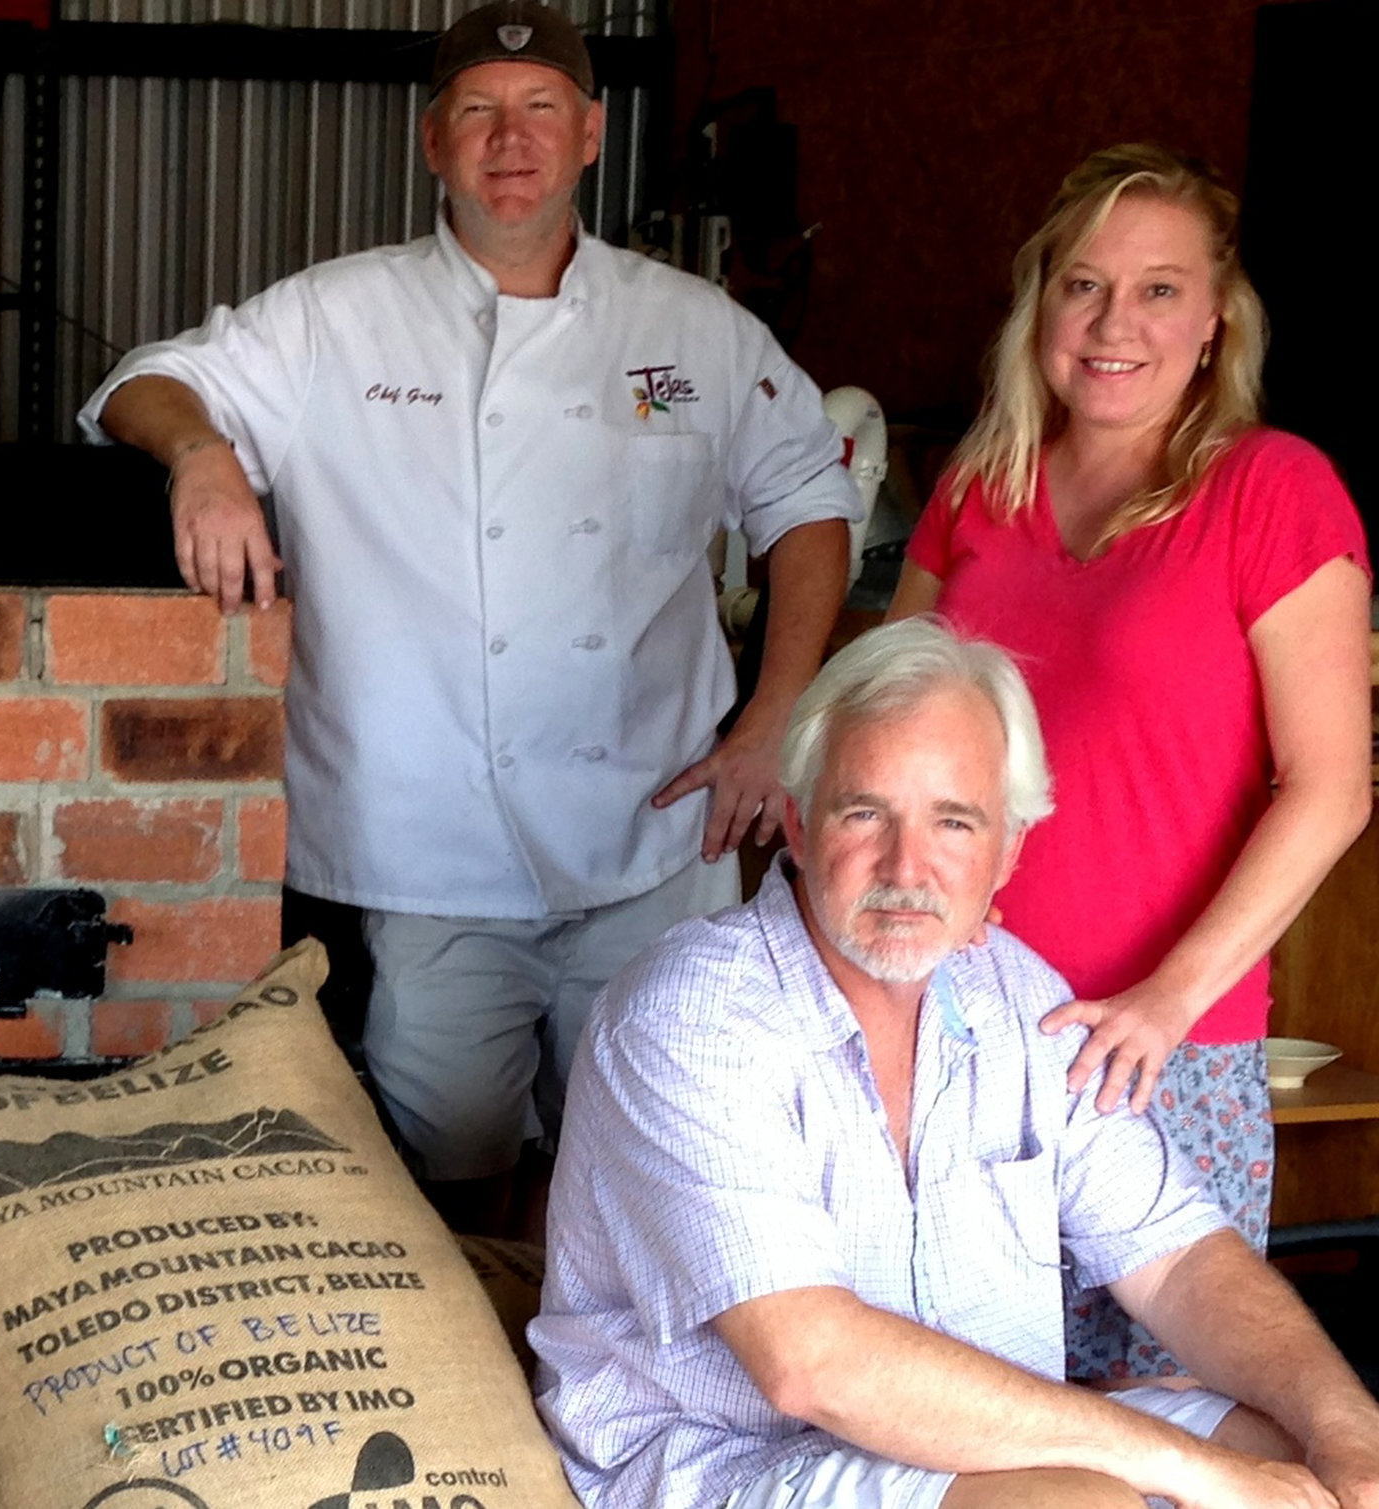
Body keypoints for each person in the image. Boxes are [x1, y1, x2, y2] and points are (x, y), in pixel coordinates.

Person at [77, 1, 858, 1228]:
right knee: (453, 1179)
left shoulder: (690, 325)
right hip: (430, 852)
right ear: (432, 141)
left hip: (654, 833)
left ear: (590, 134)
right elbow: (144, 384)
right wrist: (203, 461)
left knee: (664, 1167)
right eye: (480, 112)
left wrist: (774, 721)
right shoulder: (336, 316)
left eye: (540, 108)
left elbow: (807, 500)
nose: (512, 139)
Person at [532, 616, 1379, 1509]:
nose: (909, 866)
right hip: (731, 1461)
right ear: (798, 818)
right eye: (866, 812)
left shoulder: (1015, 994)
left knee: (1310, 1455)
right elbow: (811, 1364)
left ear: (1008, 849)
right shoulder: (690, 1014)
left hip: (968, 1444)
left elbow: (1176, 1258)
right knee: (1091, 1504)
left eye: (954, 821)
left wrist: (1348, 1430)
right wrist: (1183, 1465)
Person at [889, 143, 1372, 1378]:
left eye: (1158, 288)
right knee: (956, 1392)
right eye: (1082, 285)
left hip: (1154, 1045)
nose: (1114, 323)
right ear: (1038, 305)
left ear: (1215, 322)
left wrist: (1169, 997)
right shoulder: (976, 486)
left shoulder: (1272, 490)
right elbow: (884, 724)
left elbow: (1327, 787)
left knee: (1164, 1408)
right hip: (950, 1024)